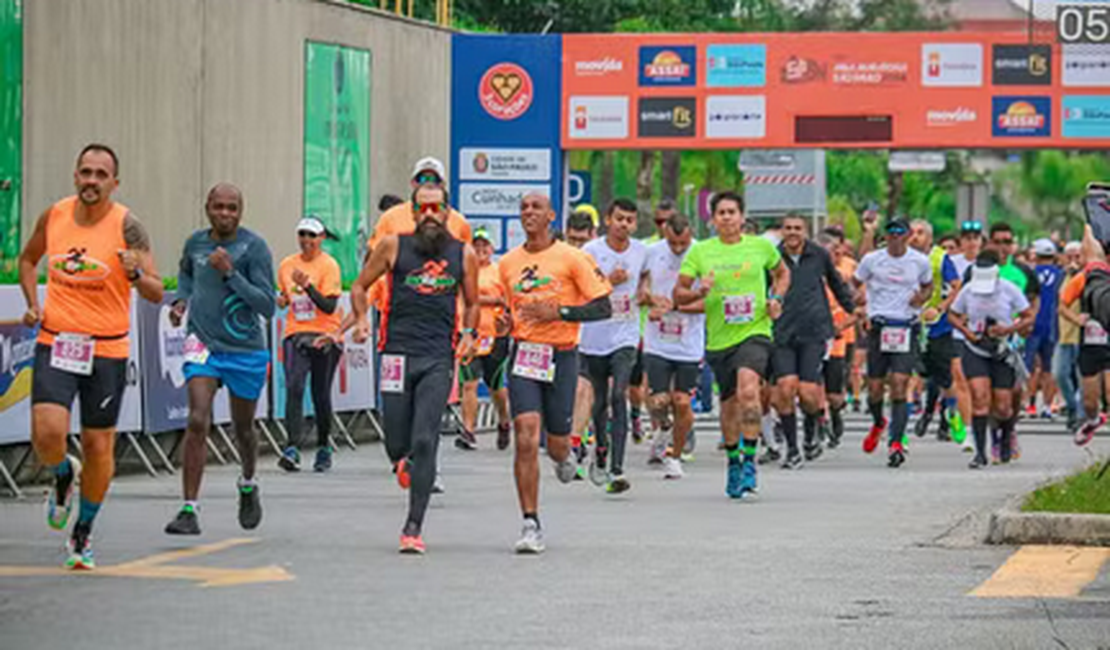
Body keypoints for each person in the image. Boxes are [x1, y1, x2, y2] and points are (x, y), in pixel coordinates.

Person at [19, 144, 163, 569]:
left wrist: (135, 272)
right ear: (75, 175)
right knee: (47, 434)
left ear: (114, 183)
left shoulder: (128, 226)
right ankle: (63, 473)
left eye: (101, 175)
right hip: (57, 340)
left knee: (100, 444)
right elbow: (28, 261)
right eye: (85, 172)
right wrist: (32, 301)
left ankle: (83, 532)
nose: (92, 181)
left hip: (107, 349)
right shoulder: (56, 215)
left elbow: (155, 291)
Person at [339, 183, 478, 554]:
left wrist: (468, 334)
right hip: (396, 354)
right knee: (396, 442)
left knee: (424, 438)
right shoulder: (393, 245)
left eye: (437, 209)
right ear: (413, 213)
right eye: (424, 209)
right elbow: (359, 285)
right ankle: (403, 462)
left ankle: (413, 526)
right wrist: (361, 317)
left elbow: (474, 301)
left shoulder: (462, 253)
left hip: (437, 356)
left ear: (448, 213)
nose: (430, 215)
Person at [499, 192, 612, 553]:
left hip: (562, 355)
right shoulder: (509, 263)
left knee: (556, 443)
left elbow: (603, 307)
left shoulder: (573, 258)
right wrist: (503, 322)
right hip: (524, 355)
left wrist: (560, 314)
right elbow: (507, 310)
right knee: (526, 435)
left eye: (536, 208)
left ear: (551, 216)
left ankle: (567, 455)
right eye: (523, 208)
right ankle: (530, 522)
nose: (528, 213)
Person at [165, 183, 275, 536]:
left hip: (244, 349)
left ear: (240, 212)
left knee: (244, 429)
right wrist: (181, 301)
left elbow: (267, 305)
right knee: (198, 418)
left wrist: (230, 272)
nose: (225, 214)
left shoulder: (254, 247)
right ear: (207, 208)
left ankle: (247, 482)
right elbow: (186, 273)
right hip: (203, 343)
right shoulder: (195, 243)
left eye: (232, 208)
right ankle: (188, 509)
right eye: (218, 207)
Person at [675, 191, 789, 499]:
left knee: (748, 390)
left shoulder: (762, 247)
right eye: (721, 213)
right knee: (728, 406)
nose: (726, 217)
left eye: (732, 212)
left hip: (755, 331)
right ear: (713, 220)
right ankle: (734, 461)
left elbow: (782, 273)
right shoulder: (701, 253)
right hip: (719, 338)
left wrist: (776, 299)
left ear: (742, 217)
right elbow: (679, 294)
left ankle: (750, 458)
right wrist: (700, 289)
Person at [773, 215, 854, 468]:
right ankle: (793, 449)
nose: (793, 233)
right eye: (788, 229)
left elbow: (836, 284)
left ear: (805, 231)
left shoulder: (819, 254)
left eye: (797, 228)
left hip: (814, 331)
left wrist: (853, 310)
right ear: (781, 232)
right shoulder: (772, 256)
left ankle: (811, 434)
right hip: (782, 332)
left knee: (808, 393)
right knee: (785, 388)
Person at [579, 198, 648, 492]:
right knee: (598, 401)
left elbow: (646, 277)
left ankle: (618, 468)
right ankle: (602, 450)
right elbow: (581, 288)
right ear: (608, 220)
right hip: (594, 337)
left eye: (630, 220)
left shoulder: (642, 251)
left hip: (625, 335)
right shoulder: (590, 252)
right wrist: (609, 280)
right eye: (619, 218)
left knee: (619, 393)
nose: (624, 224)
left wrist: (644, 291)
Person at [853, 218, 933, 468]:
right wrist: (859, 303)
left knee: (899, 383)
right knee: (875, 388)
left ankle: (896, 443)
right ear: (886, 236)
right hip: (878, 326)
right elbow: (855, 283)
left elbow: (928, 287)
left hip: (905, 326)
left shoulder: (919, 261)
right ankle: (879, 422)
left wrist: (921, 299)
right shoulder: (872, 260)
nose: (896, 237)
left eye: (901, 232)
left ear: (908, 235)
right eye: (891, 232)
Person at [949, 251, 1035, 468]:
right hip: (976, 348)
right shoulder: (968, 290)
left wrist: (1008, 328)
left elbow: (1028, 316)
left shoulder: (1009, 290)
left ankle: (1005, 436)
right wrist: (966, 331)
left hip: (1002, 350)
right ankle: (980, 453)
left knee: (1003, 406)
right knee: (979, 397)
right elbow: (952, 314)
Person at [276, 216, 343, 473]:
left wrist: (308, 286)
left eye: (312, 236)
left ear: (322, 238)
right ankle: (291, 447)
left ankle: (324, 446)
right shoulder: (286, 265)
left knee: (320, 392)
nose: (307, 241)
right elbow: (285, 295)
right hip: (295, 333)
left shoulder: (329, 265)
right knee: (294, 386)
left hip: (324, 335)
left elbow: (329, 306)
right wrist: (282, 300)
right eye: (302, 235)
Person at [641, 213, 705, 479]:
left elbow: (709, 303)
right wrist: (650, 301)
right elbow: (640, 291)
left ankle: (674, 456)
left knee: (681, 401)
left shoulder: (702, 253)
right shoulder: (651, 253)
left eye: (683, 244)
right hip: (658, 341)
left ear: (691, 233)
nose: (678, 249)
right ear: (664, 233)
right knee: (658, 399)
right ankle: (663, 429)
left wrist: (676, 307)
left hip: (689, 342)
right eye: (673, 244)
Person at [908, 219, 964, 443]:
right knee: (907, 375)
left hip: (937, 327)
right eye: (911, 232)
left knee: (944, 378)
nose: (915, 237)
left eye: (920, 233)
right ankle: (901, 426)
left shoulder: (940, 257)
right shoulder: (900, 257)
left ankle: (952, 414)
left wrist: (941, 307)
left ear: (929, 238)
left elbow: (957, 285)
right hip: (908, 324)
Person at [458, 226, 512, 451]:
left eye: (484, 245)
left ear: (491, 249)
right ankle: (468, 431)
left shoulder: (499, 272)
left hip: (495, 335)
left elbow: (505, 300)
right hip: (470, 333)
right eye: (476, 245)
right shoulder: (463, 271)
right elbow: (461, 296)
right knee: (468, 384)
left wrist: (481, 300)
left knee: (495, 386)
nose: (480, 249)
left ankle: (503, 421)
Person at [563, 208, 599, 476]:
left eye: (581, 240)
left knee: (583, 390)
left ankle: (576, 445)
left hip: (591, 337)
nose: (576, 246)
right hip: (558, 337)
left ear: (592, 236)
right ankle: (573, 438)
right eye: (572, 240)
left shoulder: (598, 259)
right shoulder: (558, 258)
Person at [817, 231, 857, 448]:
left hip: (838, 341)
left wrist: (840, 326)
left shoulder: (842, 278)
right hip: (812, 339)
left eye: (833, 251)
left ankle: (835, 413)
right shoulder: (808, 275)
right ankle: (817, 423)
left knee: (834, 394)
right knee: (812, 387)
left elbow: (856, 309)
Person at [1025, 239, 1064, 419]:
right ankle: (1047, 406)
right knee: (1049, 369)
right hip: (1053, 325)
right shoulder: (1061, 275)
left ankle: (1029, 404)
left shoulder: (1029, 273)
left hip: (1032, 325)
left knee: (1029, 368)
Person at [1055, 242, 1085, 433]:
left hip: (1083, 336)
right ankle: (1073, 407)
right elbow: (1057, 306)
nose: (1073, 261)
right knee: (1060, 373)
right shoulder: (1060, 278)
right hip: (1064, 335)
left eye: (1077, 257)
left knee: (1083, 378)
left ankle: (1080, 416)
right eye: (1069, 257)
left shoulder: (1089, 277)